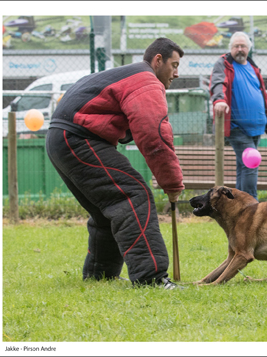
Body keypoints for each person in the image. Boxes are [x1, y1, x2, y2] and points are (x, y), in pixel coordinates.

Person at [46, 37, 186, 289]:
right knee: (133, 195)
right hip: (78, 138)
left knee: (106, 209)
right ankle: (150, 278)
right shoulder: (145, 80)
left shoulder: (126, 74)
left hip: (60, 138)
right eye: (173, 65)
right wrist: (172, 182)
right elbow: (153, 133)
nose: (176, 73)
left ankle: (100, 275)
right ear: (157, 60)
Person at [209, 31, 267, 200]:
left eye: (243, 46)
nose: (239, 49)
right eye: (236, 46)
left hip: (257, 127)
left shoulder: (253, 67)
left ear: (248, 48)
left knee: (243, 166)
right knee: (251, 163)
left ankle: (238, 205)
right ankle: (251, 204)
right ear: (230, 48)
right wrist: (219, 100)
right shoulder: (224, 64)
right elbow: (217, 82)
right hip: (236, 125)